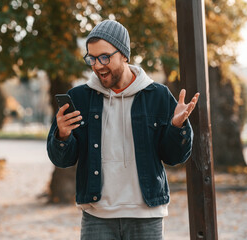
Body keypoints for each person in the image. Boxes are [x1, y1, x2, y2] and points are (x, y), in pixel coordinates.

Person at [47, 20, 199, 240]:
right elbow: (62, 160)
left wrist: (177, 127)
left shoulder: (158, 96)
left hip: (146, 215)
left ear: (124, 55)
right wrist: (62, 135)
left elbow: (174, 157)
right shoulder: (79, 98)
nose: (98, 65)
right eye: (92, 58)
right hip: (96, 217)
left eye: (104, 57)